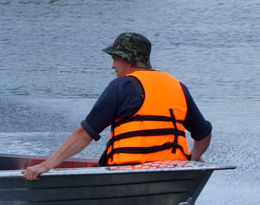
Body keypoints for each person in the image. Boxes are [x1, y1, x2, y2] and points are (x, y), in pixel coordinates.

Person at [23, 32, 212, 180]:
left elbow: (84, 134)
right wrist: (192, 160)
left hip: (127, 173)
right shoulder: (177, 86)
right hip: (173, 173)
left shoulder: (121, 86)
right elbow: (203, 136)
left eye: (115, 59)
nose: (112, 66)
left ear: (128, 60)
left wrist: (46, 166)